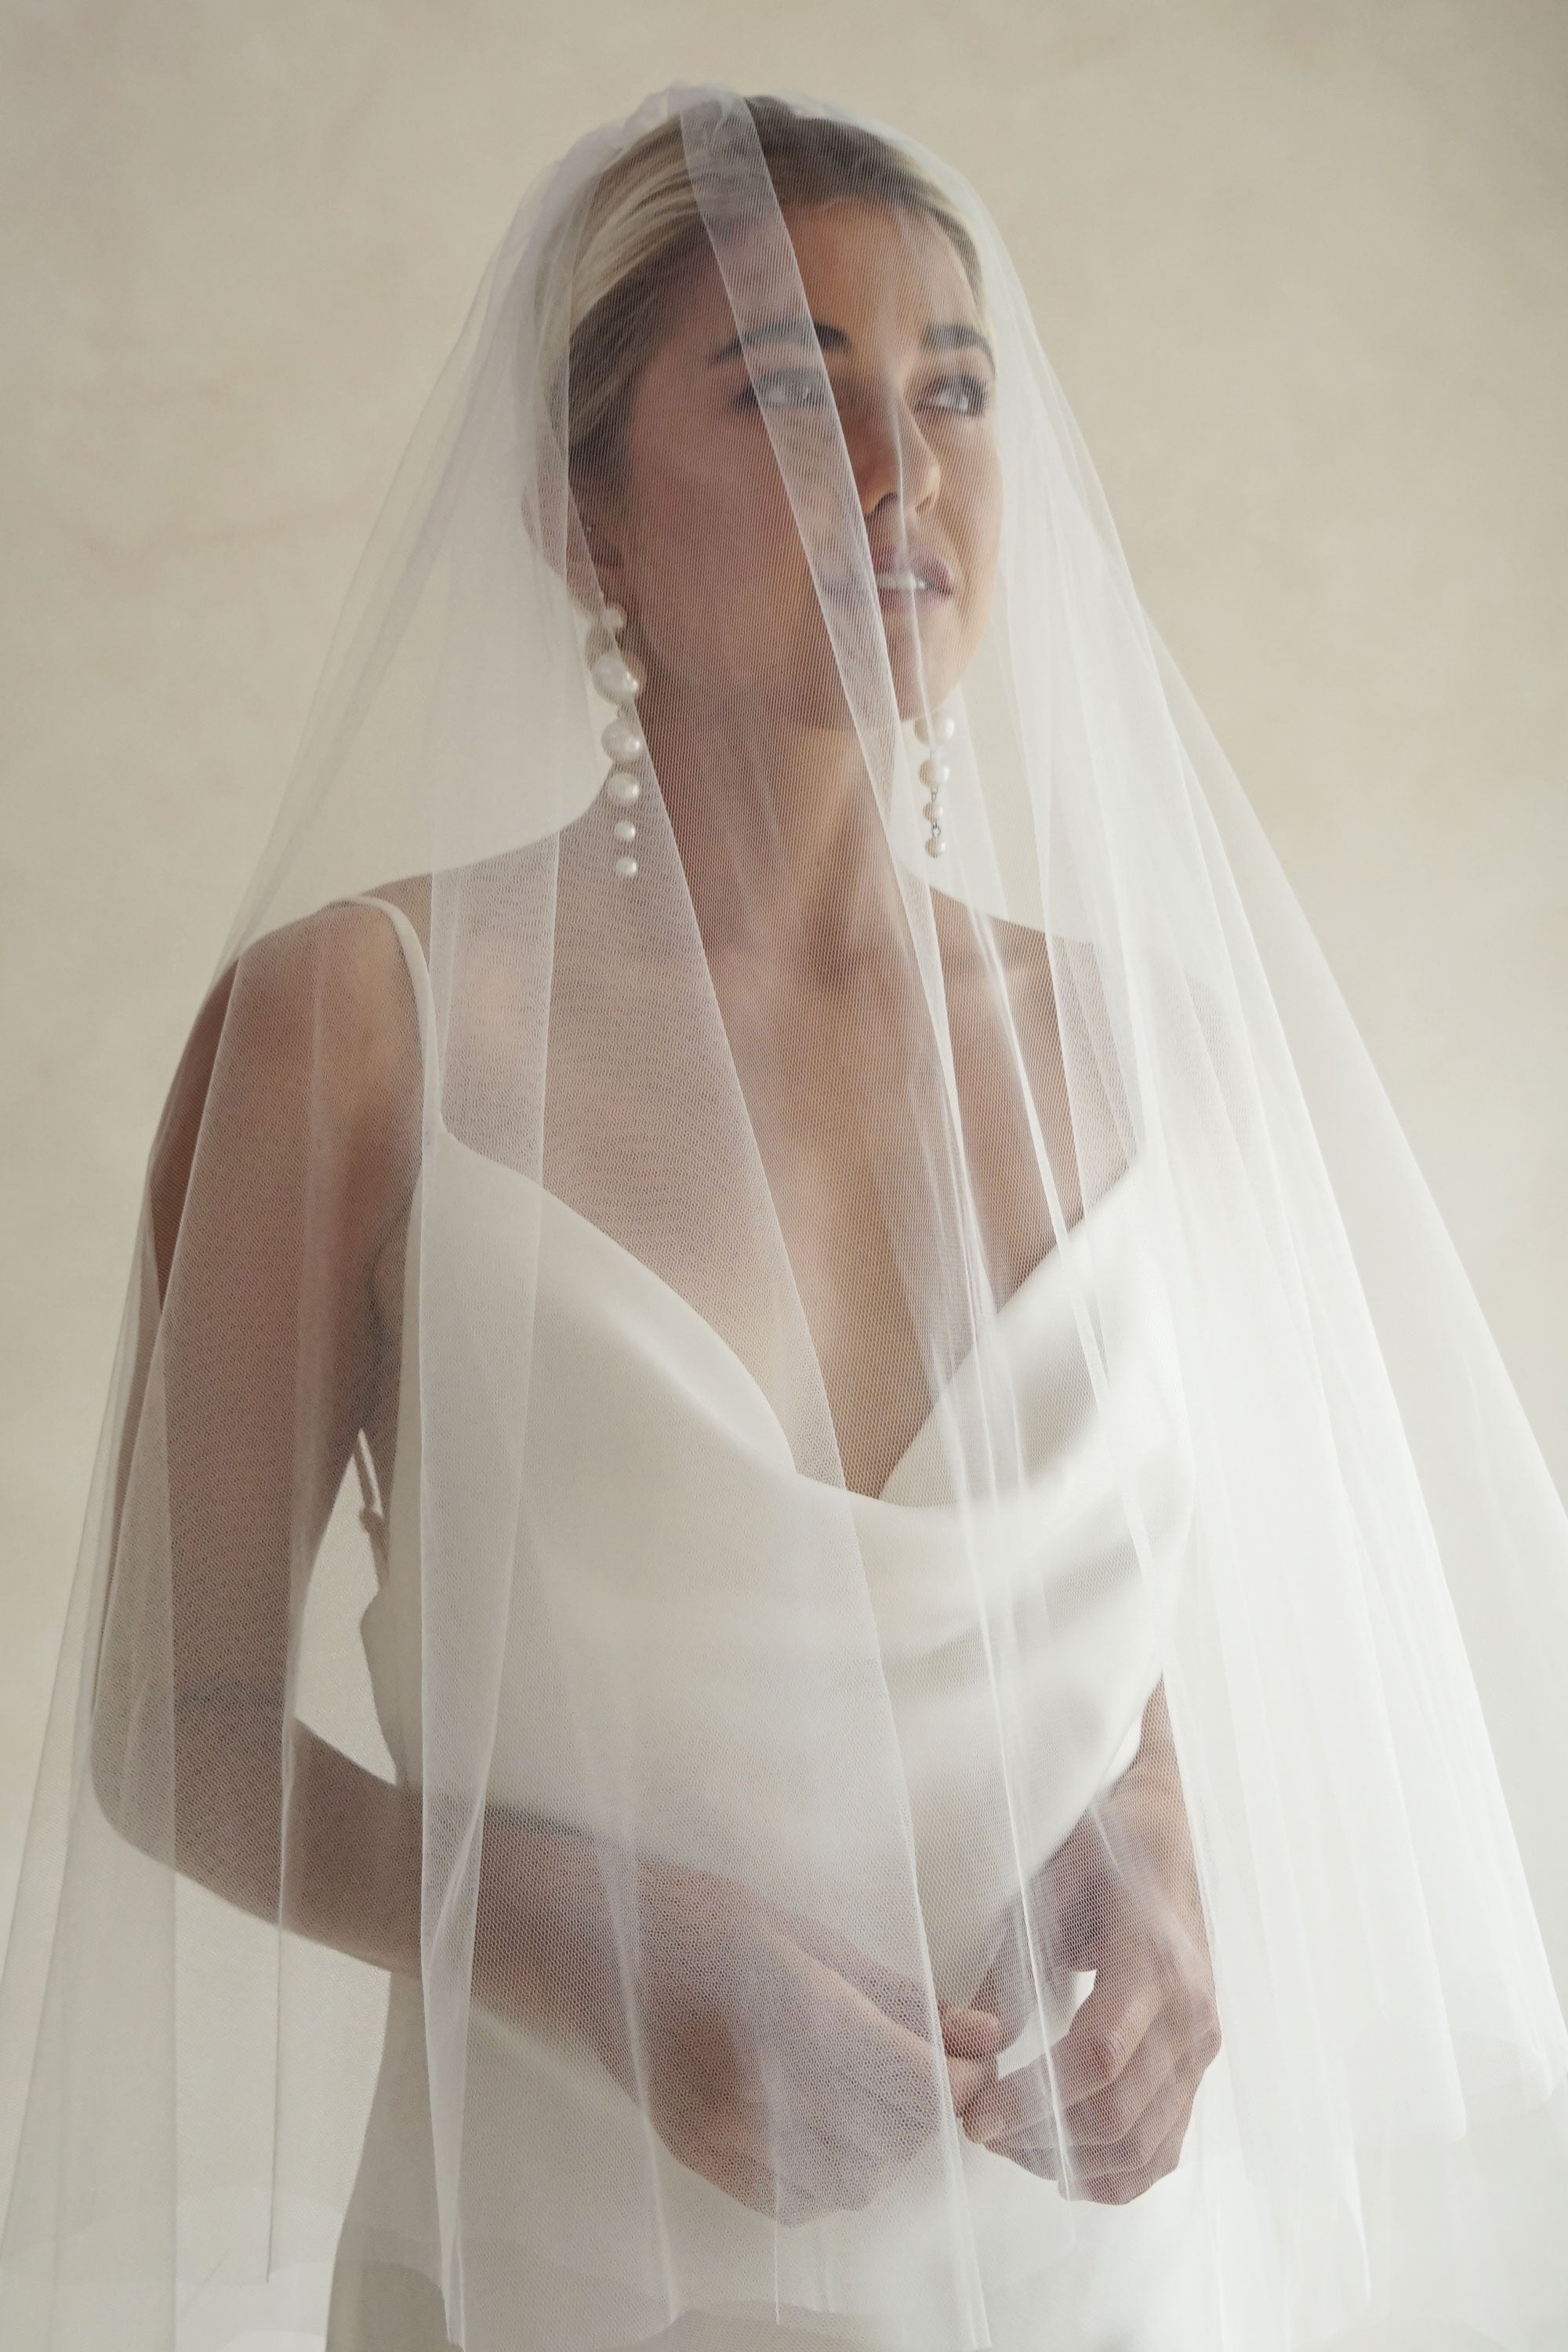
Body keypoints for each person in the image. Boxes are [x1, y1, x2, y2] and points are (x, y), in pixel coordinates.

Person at [2, 83, 1567, 2352]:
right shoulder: (361, 1030)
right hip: (554, 2279)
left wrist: (1160, 1847)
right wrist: (595, 1954)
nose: (899, 472)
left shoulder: (1140, 1044)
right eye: (786, 389)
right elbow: (176, 1724)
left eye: (949, 394)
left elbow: (1098, 1639)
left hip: (1091, 2286)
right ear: (581, 525)